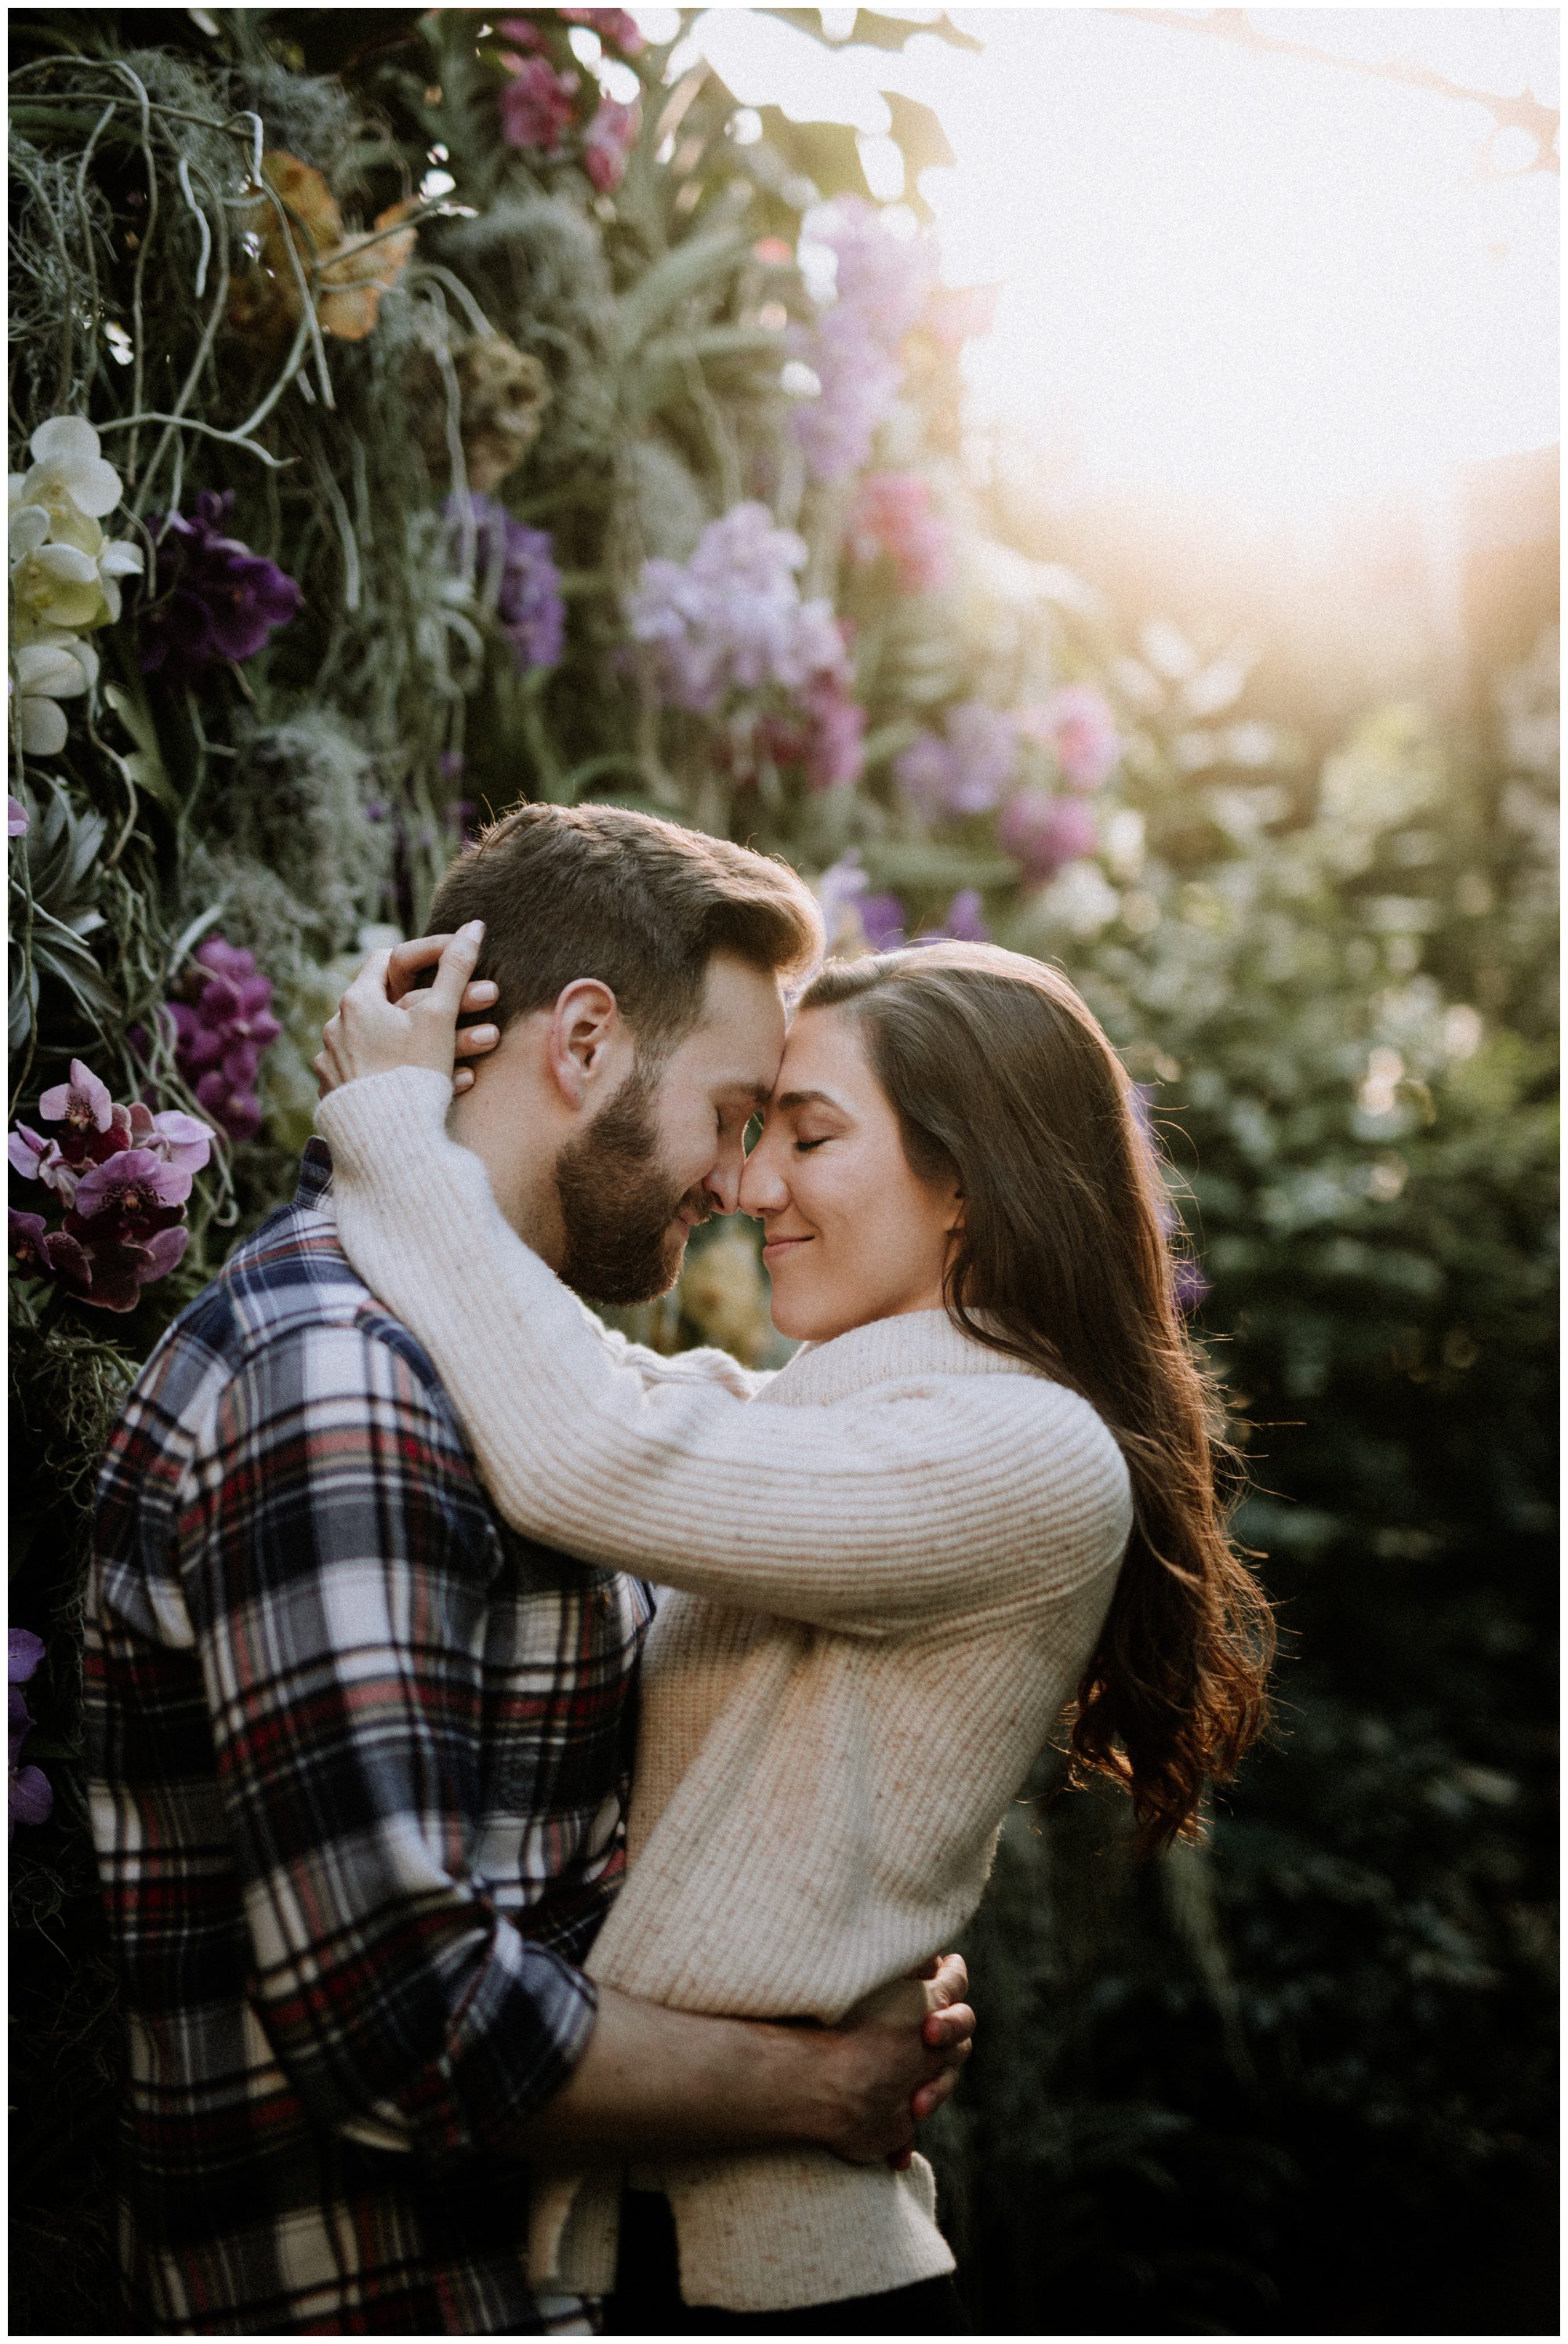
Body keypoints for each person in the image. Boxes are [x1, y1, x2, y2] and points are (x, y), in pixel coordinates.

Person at [312, 818, 1276, 2335]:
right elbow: (611, 1386)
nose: (751, 1184)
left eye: (807, 1134)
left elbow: (587, 1447)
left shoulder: (1024, 1454)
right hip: (653, 2237)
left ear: (970, 1183)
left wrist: (389, 1126)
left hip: (774, 2275)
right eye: (752, 1126)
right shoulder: (856, 1416)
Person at [83, 804, 978, 2338]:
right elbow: (399, 2014)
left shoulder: (507, 1369)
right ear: (582, 1041)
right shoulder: (338, 1379)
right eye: (737, 1107)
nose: (743, 1177)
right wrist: (811, 2086)